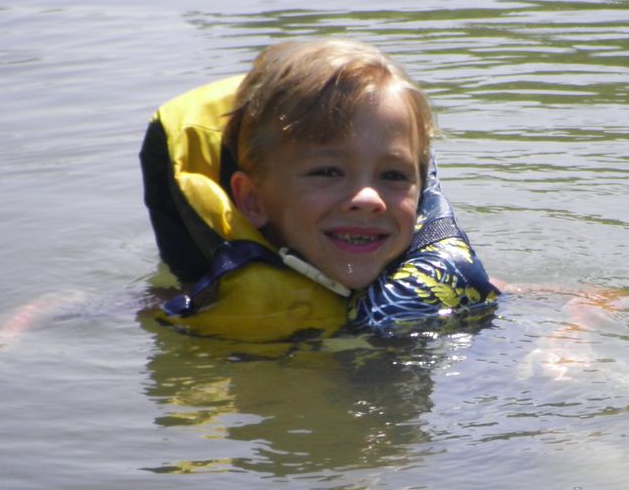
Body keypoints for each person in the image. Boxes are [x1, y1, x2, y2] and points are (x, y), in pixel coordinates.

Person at [140, 38, 500, 341]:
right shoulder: (193, 305)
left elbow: (549, 300)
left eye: (393, 176)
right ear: (252, 199)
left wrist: (559, 334)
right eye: (328, 172)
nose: (368, 199)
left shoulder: (444, 284)